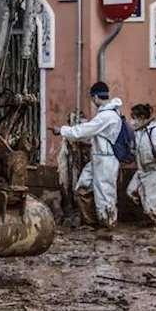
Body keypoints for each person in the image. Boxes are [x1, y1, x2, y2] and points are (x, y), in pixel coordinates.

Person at [51, 82, 125, 233]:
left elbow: (85, 130)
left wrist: (62, 130)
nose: (93, 101)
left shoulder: (107, 116)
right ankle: (92, 221)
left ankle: (108, 225)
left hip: (106, 160)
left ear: (96, 97)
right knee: (82, 187)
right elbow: (97, 134)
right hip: (98, 158)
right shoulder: (109, 114)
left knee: (105, 194)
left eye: (92, 98)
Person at [125, 103, 156, 225]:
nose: (132, 121)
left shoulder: (155, 131)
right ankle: (148, 213)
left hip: (155, 172)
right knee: (131, 191)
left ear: (141, 117)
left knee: (153, 207)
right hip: (142, 171)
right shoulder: (139, 133)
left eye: (134, 117)